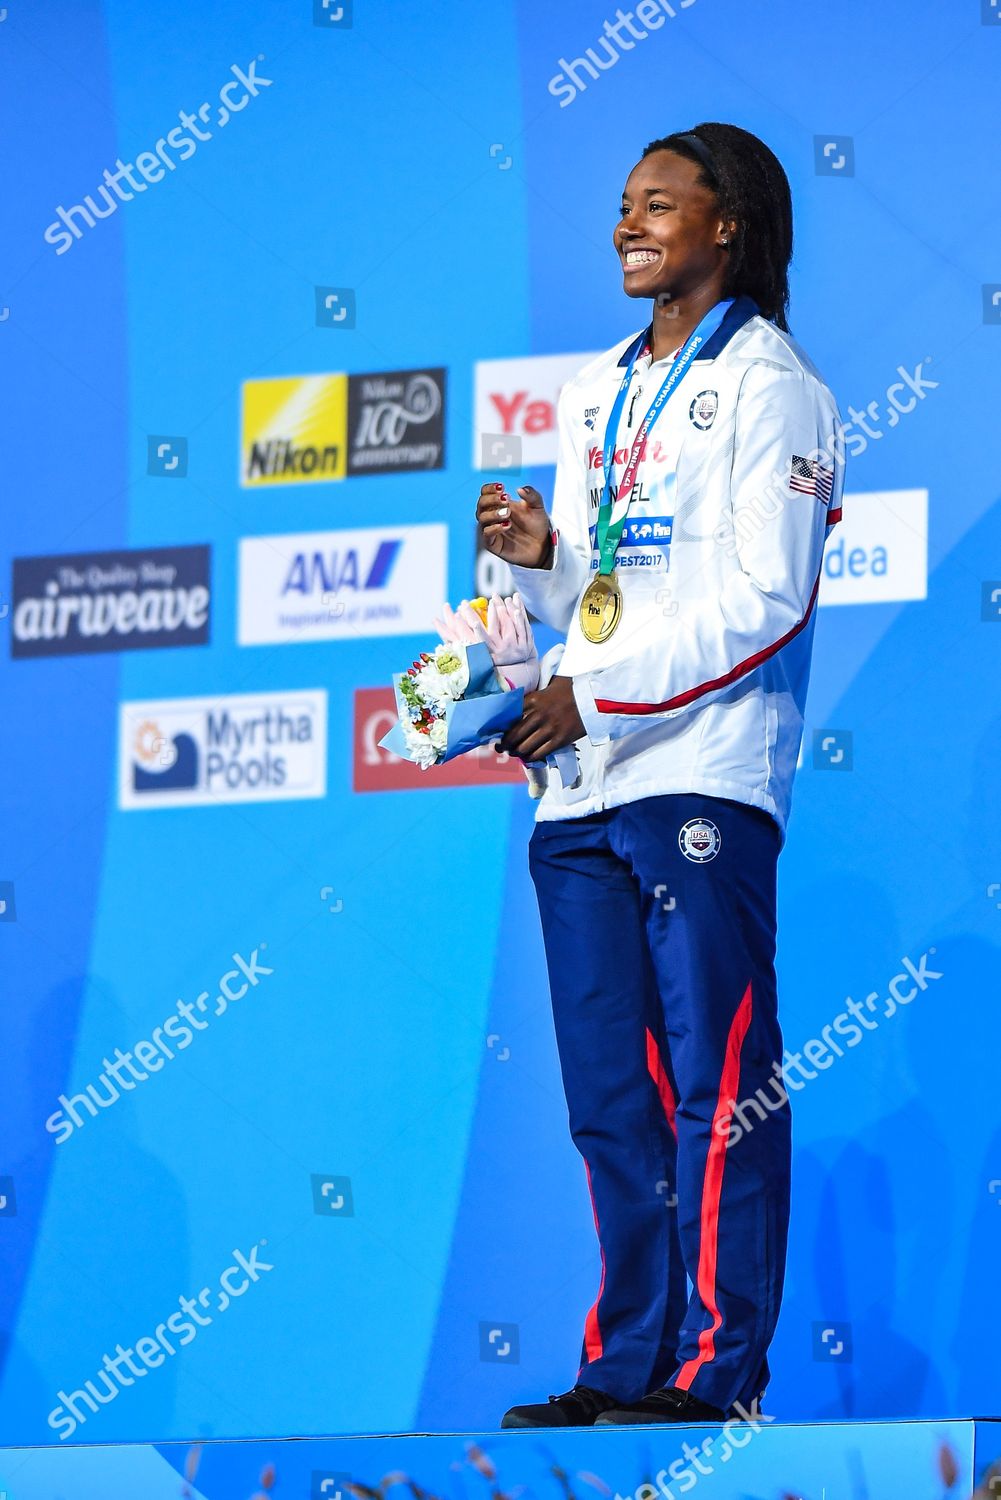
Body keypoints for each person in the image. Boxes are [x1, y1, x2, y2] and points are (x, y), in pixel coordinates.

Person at [478, 122, 844, 1428]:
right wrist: (535, 567)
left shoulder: (771, 384)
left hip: (696, 778)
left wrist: (598, 686)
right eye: (622, 205)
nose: (627, 224)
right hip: (579, 789)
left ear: (727, 223)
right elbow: (600, 602)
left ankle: (710, 1375)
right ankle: (625, 1361)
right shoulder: (591, 393)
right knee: (610, 1101)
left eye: (658, 205)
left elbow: (766, 598)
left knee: (713, 1086)